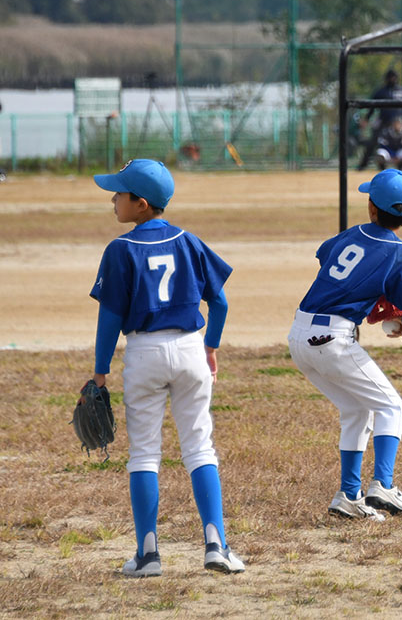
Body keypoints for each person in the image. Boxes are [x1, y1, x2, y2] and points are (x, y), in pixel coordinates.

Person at [87, 159, 243, 577]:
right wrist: (211, 347)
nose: (113, 201)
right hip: (191, 348)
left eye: (119, 195)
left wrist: (100, 372)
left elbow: (110, 318)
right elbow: (221, 302)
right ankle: (217, 545)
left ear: (140, 204)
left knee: (144, 455)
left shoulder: (121, 249)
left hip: (144, 353)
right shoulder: (189, 240)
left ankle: (148, 555)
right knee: (199, 447)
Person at [288, 168, 402, 520]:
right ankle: (383, 484)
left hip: (299, 335)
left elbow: (325, 256)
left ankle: (349, 496)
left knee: (357, 410)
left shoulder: (352, 234)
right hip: (333, 338)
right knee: (390, 406)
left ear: (371, 207)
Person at [358, 69, 402, 171]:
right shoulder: (381, 92)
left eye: (394, 77)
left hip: (399, 123)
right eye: (390, 77)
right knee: (373, 142)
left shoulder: (401, 91)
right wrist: (366, 119)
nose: (392, 79)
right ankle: (363, 165)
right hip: (384, 121)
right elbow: (372, 107)